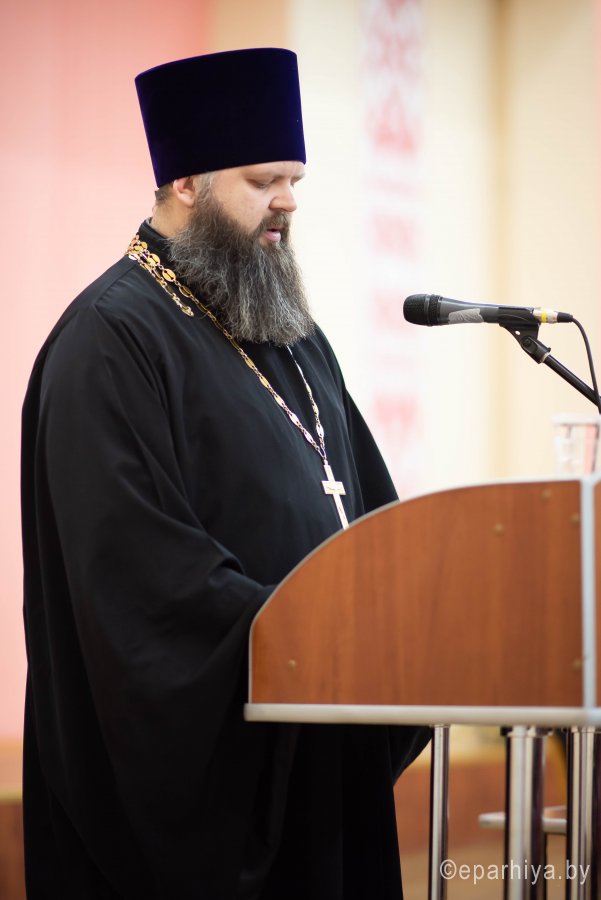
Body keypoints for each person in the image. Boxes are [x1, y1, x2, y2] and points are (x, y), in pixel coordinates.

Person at [21, 48, 430, 900]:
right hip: (218, 784)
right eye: (262, 180)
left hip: (322, 745)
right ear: (186, 182)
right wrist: (309, 634)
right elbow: (138, 586)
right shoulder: (109, 341)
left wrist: (398, 611)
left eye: (294, 180)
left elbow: (365, 513)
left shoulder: (289, 332)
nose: (287, 201)